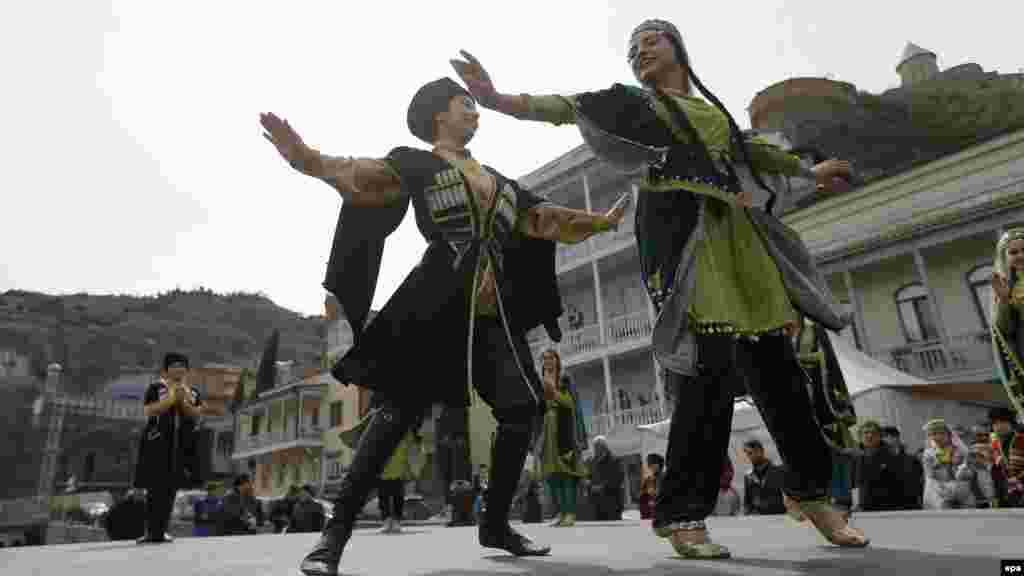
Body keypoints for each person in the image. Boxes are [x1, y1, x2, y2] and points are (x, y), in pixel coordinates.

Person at [451, 17, 867, 558]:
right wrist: (497, 98)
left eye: (651, 41)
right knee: (706, 373)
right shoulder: (631, 105)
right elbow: (568, 106)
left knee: (780, 372)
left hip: (735, 235)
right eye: (632, 47)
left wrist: (809, 172)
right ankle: (682, 512)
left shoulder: (712, 112)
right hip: (680, 231)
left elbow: (746, 154)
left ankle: (811, 493)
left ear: (677, 48)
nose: (640, 51)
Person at [260, 75, 626, 576]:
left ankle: (494, 523)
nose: (475, 113)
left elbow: (544, 220)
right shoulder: (414, 162)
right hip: (435, 303)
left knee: (522, 409)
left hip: (495, 313)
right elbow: (355, 174)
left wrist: (600, 222)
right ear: (439, 114)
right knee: (394, 417)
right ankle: (332, 537)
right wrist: (306, 159)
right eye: (466, 104)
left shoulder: (498, 180)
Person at [133, 352, 204, 544]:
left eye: (182, 365)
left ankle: (162, 530)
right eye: (173, 365)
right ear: (166, 370)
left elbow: (197, 414)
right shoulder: (156, 388)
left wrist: (182, 401)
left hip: (181, 446)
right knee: (154, 489)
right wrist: (172, 399)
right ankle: (151, 531)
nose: (178, 369)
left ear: (187, 370)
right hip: (158, 444)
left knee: (171, 489)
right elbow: (149, 410)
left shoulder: (193, 392)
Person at [539, 352, 587, 527]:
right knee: (552, 475)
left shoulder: (565, 378)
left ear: (557, 361)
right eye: (544, 358)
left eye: (551, 358)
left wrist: (553, 393)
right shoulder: (540, 379)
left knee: (567, 473)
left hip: (563, 428)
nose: (548, 361)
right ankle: (561, 512)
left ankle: (570, 513)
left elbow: (570, 403)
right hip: (546, 428)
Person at [921, 419, 972, 509]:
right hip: (939, 493)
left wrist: (963, 472)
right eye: (933, 434)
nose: (937, 437)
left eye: (941, 433)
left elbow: (969, 472)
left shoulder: (960, 450)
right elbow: (930, 476)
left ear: (948, 435)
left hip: (962, 492)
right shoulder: (929, 453)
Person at [742, 439, 786, 515]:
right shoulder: (748, 476)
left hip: (778, 517)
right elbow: (747, 502)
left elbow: (786, 497)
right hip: (758, 519)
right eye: (747, 454)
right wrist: (748, 514)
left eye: (750, 453)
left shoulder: (778, 472)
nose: (749, 457)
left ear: (760, 451)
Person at [588, 436, 624, 521]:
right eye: (595, 446)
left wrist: (602, 487)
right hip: (596, 504)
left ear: (604, 447)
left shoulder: (615, 460)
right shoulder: (592, 462)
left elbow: (618, 478)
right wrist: (589, 484)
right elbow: (588, 477)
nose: (596, 449)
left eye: (598, 446)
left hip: (612, 504)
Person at [638, 453, 664, 520]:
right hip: (650, 516)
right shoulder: (648, 480)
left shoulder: (664, 478)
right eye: (648, 464)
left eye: (651, 464)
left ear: (658, 465)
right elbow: (643, 500)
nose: (649, 466)